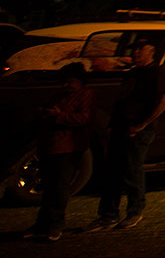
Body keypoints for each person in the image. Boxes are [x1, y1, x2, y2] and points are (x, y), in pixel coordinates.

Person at [86, 40, 165, 231]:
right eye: (134, 49)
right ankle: (108, 216)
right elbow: (122, 100)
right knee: (112, 172)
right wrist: (111, 125)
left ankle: (134, 212)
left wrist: (142, 124)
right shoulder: (132, 74)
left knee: (132, 170)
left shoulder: (156, 72)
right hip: (120, 128)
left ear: (151, 51)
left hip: (138, 130)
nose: (136, 53)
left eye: (141, 49)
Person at [24, 62, 95, 241]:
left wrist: (58, 116)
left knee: (60, 187)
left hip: (68, 147)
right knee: (49, 187)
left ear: (78, 81)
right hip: (51, 146)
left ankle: (55, 225)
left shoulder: (86, 95)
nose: (65, 85)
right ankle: (42, 223)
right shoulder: (61, 96)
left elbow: (83, 118)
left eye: (69, 81)